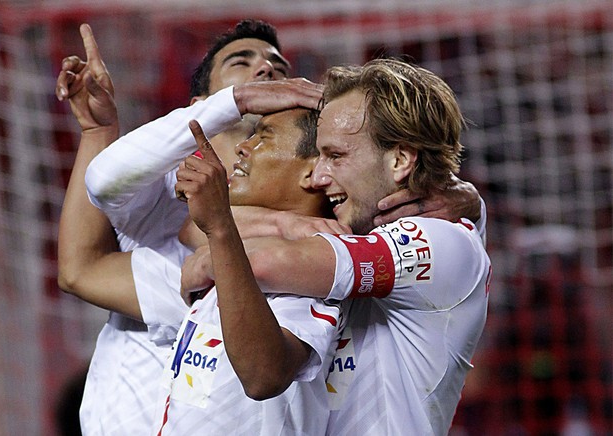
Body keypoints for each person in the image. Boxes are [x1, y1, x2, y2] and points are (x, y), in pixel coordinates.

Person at [179, 58, 491, 435]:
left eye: (337, 156)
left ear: (400, 159)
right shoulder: (370, 227)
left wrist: (214, 247)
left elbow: (263, 262)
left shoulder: (440, 241)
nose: (321, 175)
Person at [55, 20, 337, 434]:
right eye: (242, 63)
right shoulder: (161, 182)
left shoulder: (311, 252)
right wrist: (99, 132)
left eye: (279, 65)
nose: (267, 71)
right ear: (201, 104)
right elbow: (104, 181)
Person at [154, 109, 347, 434]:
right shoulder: (223, 260)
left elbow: (264, 375)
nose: (244, 147)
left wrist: (219, 227)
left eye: (264, 136)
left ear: (312, 171)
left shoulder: (305, 274)